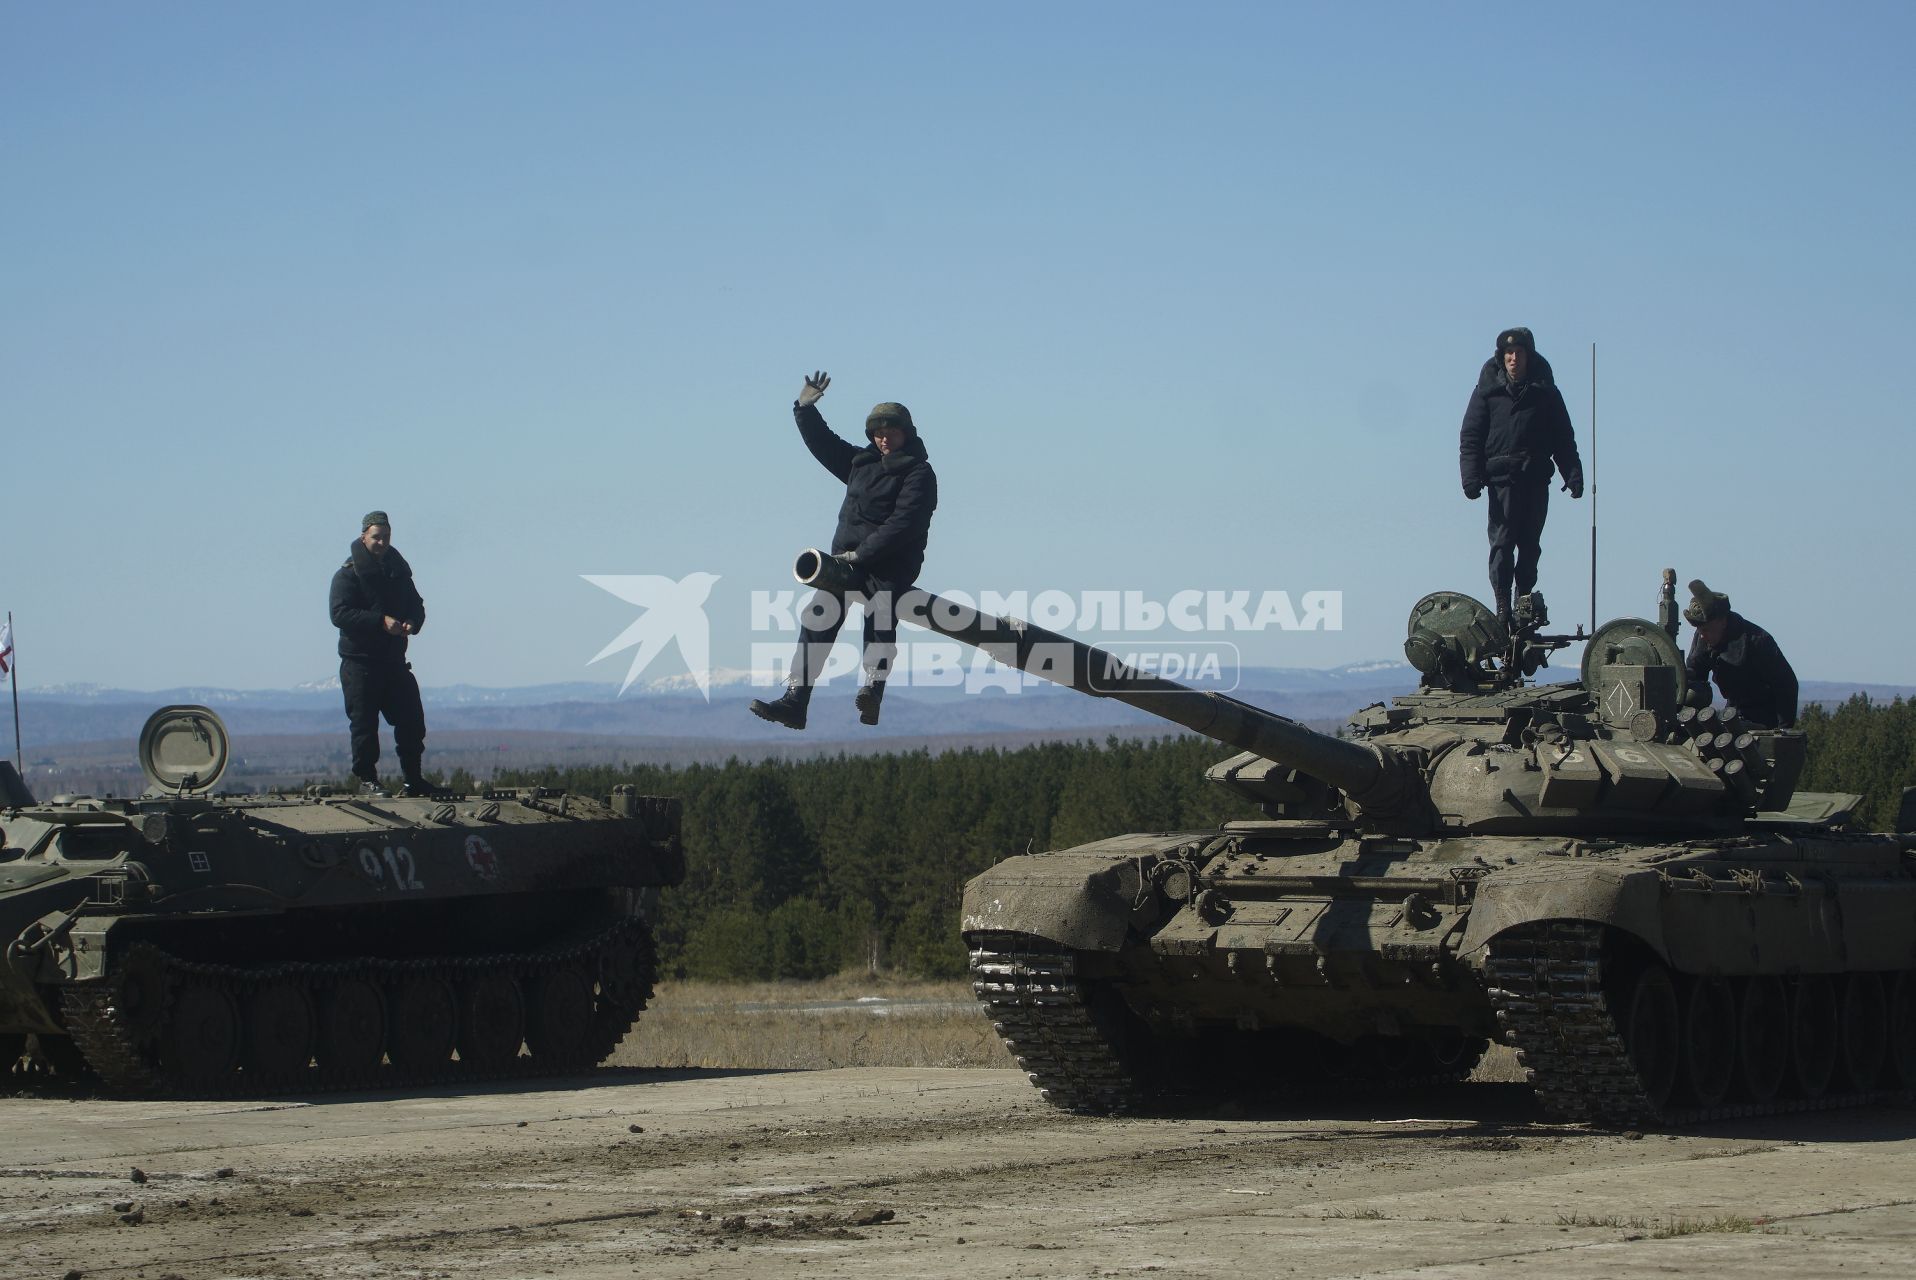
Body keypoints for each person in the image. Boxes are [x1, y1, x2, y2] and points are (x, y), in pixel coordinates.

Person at [751, 370, 938, 730]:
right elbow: (825, 444)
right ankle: (795, 701)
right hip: (846, 561)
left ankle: (872, 690)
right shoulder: (860, 464)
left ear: (906, 434)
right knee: (818, 617)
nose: (884, 439)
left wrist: (862, 556)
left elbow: (903, 525)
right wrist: (804, 408)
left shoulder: (919, 474)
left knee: (880, 609)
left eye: (891, 432)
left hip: (889, 564)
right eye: (878, 433)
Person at [1458, 327, 1584, 621]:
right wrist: (1470, 477)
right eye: (1509, 353)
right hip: (1501, 481)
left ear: (1529, 356)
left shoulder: (1546, 392)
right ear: (1502, 358)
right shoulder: (1487, 392)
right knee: (1502, 545)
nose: (1514, 358)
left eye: (1519, 353)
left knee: (1530, 546)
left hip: (1535, 479)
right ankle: (1502, 602)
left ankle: (1522, 602)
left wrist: (1573, 475)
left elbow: (1563, 438)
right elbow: (1471, 437)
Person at [329, 511, 431, 793]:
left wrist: (413, 621)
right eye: (377, 537)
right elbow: (339, 613)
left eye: (386, 537)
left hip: (393, 662)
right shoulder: (347, 575)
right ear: (364, 537)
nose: (382, 542)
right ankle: (367, 780)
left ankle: (414, 779)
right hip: (360, 663)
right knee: (364, 725)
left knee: (412, 719)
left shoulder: (398, 573)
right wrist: (379, 621)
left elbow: (417, 605)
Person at [1682, 580, 1799, 728]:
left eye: (1706, 629)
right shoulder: (1703, 637)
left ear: (1723, 622)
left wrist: (1783, 730)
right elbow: (1696, 677)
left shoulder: (1758, 641)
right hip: (1733, 712)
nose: (1702, 635)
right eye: (1699, 630)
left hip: (1765, 717)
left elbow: (1786, 684)